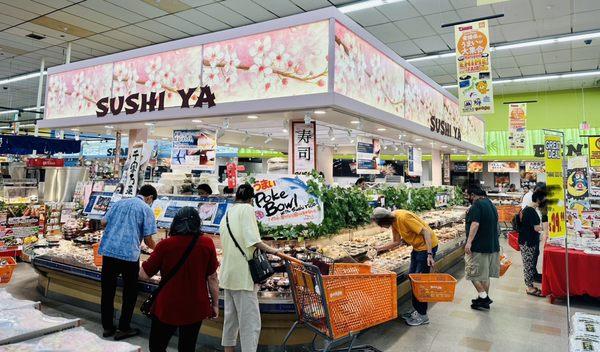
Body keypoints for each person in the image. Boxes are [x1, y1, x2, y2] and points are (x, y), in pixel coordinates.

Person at [140, 207, 220, 352]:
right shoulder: (207, 243)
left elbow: (144, 275)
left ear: (175, 223)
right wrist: (215, 304)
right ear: (198, 223)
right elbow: (213, 277)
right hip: (196, 305)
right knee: (187, 346)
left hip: (168, 305)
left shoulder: (165, 245)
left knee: (157, 346)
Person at [220, 184, 281, 352]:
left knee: (230, 319)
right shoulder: (247, 210)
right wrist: (275, 251)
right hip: (243, 275)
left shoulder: (228, 212)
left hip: (227, 274)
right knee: (250, 323)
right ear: (251, 199)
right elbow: (253, 240)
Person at [99, 185, 158, 340]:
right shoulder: (146, 209)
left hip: (109, 251)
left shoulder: (119, 203)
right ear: (150, 197)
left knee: (107, 291)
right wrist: (160, 250)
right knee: (130, 293)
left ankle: (107, 327)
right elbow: (148, 239)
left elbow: (103, 223)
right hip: (128, 256)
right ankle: (123, 327)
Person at [371, 207, 439, 326]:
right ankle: (417, 310)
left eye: (381, 224)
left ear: (385, 219)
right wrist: (378, 249)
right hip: (417, 248)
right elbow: (396, 242)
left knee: (419, 282)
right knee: (412, 278)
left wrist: (429, 254)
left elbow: (426, 232)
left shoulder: (403, 217)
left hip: (427, 248)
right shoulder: (394, 222)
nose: (381, 227)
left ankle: (423, 315)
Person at [465, 185, 500, 311]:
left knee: (472, 273)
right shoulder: (490, 204)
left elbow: (475, 224)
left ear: (473, 195)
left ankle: (484, 297)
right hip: (492, 245)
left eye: (468, 195)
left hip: (479, 246)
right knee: (485, 276)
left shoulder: (477, 205)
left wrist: (469, 242)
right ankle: (482, 300)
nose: (468, 198)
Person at [518, 191, 545, 297]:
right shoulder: (531, 211)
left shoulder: (525, 209)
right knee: (528, 265)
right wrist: (544, 228)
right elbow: (536, 227)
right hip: (528, 242)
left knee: (528, 264)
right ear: (538, 199)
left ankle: (530, 285)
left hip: (525, 241)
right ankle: (529, 288)